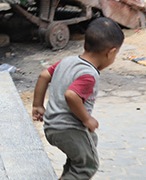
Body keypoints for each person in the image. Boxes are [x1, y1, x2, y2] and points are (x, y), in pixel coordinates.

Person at [32, 17, 124, 180]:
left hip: (52, 126)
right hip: (68, 129)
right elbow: (71, 95)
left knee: (79, 157)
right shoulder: (88, 74)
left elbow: (43, 75)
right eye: (116, 54)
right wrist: (87, 118)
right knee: (87, 165)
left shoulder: (67, 61)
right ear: (110, 52)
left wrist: (38, 105)